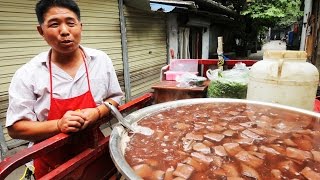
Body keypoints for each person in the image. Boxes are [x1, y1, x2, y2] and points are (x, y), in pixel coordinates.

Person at [5, 0, 123, 178]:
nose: (65, 31)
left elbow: (115, 98)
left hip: (94, 152)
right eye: (54, 24)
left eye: (70, 23)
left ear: (80, 26)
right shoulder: (27, 74)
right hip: (52, 165)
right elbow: (15, 128)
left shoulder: (100, 60)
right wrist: (59, 125)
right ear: (41, 31)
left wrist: (97, 113)